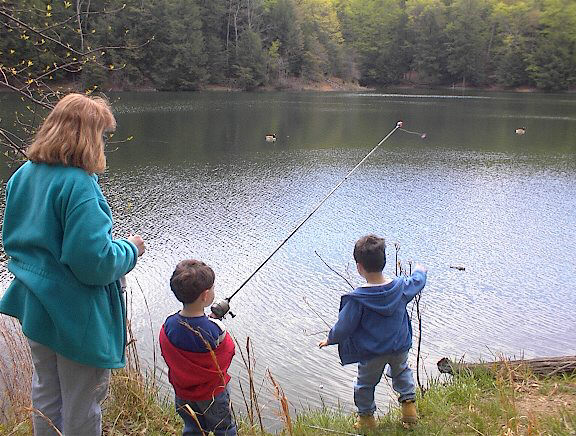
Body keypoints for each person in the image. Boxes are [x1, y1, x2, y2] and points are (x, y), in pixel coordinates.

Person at [0, 93, 146, 435]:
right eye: (101, 135)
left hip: (36, 304)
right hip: (76, 314)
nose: (103, 143)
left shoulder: (24, 175)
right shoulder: (79, 185)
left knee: (46, 393)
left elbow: (14, 240)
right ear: (88, 136)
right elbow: (94, 264)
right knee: (82, 403)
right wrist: (131, 249)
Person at [319, 234, 427, 430]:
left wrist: (330, 338)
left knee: (365, 385)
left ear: (359, 267)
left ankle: (367, 420)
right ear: (384, 261)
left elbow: (344, 327)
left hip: (372, 353)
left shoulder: (358, 300)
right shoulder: (401, 287)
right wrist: (420, 270)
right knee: (402, 372)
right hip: (399, 347)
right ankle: (409, 409)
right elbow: (417, 281)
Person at [159, 259, 236, 436]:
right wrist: (214, 321)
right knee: (223, 429)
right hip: (213, 395)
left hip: (183, 393)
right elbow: (228, 351)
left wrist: (208, 321)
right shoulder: (216, 329)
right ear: (205, 295)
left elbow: (179, 340)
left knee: (193, 428)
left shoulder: (169, 325)